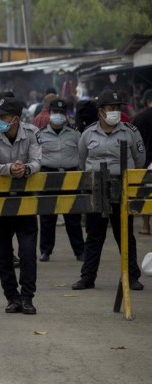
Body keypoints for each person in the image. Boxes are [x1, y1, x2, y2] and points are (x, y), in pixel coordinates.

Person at [72, 89, 145, 291]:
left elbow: (140, 160)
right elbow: (81, 161)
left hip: (122, 188)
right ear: (100, 112)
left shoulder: (130, 131)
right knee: (95, 234)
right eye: (109, 109)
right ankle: (87, 277)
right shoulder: (88, 134)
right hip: (97, 188)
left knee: (125, 234)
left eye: (116, 108)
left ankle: (132, 276)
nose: (114, 112)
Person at [0, 97, 41, 314]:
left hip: (25, 198)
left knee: (27, 251)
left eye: (3, 116)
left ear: (15, 119)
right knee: (3, 252)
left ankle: (27, 297)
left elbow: (37, 161)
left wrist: (25, 168)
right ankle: (12, 297)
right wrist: (10, 168)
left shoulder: (32, 133)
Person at [36, 99, 85, 262]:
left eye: (61, 113)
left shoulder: (75, 134)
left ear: (66, 115)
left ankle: (79, 251)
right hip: (48, 176)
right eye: (55, 112)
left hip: (70, 176)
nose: (58, 116)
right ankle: (45, 251)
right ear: (49, 114)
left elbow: (82, 155)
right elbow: (35, 156)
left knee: (73, 216)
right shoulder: (40, 134)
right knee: (47, 217)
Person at [133, 89, 152, 235]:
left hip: (145, 161)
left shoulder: (139, 118)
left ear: (146, 101)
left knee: (146, 194)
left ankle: (146, 226)